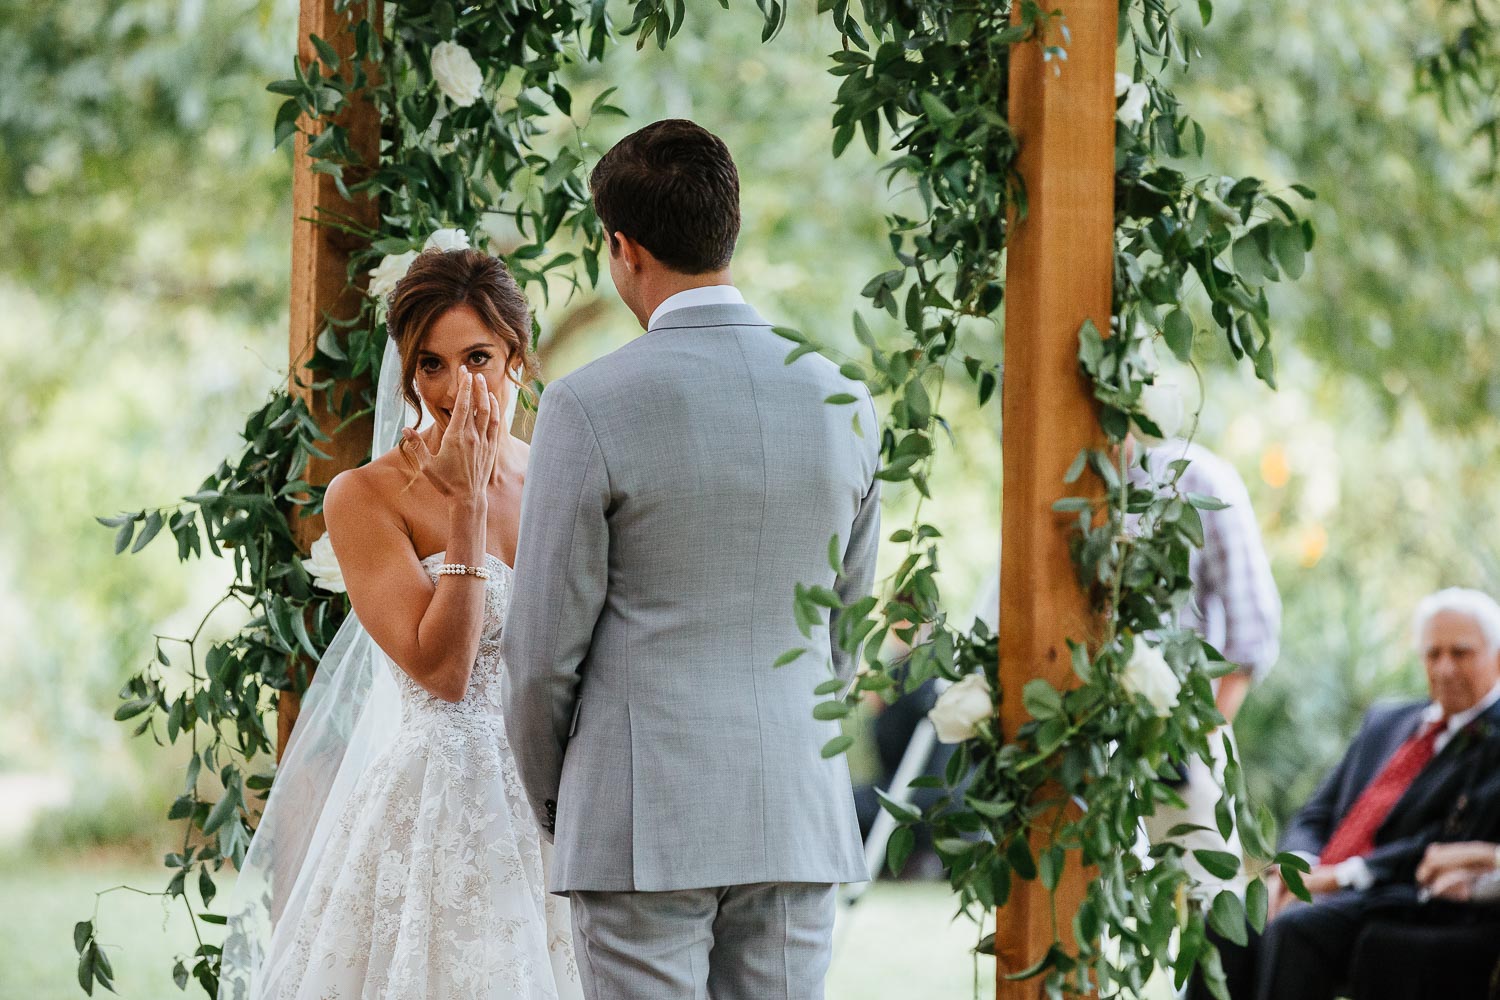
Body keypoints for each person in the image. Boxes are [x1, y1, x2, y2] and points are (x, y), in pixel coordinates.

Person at [501, 119, 881, 1000]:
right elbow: (843, 639)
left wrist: (567, 805)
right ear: (728, 229)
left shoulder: (587, 405)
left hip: (639, 820)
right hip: (795, 807)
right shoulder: (847, 404)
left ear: (623, 248)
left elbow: (539, 658)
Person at [218, 249, 581, 999]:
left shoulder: (567, 471)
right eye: (431, 364)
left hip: (565, 802)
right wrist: (466, 509)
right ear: (408, 373)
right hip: (443, 808)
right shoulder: (364, 497)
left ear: (518, 354)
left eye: (477, 357)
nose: (454, 388)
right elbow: (444, 673)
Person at [1195, 587, 1500, 1000]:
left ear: (1496, 658)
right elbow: (1316, 812)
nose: (1444, 668)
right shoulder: (1386, 720)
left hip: (1390, 891)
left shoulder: (1492, 741)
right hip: (1321, 879)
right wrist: (1295, 868)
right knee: (1229, 917)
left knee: (1295, 930)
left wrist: (1336, 878)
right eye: (1433, 654)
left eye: (1460, 653)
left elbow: (1444, 841)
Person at [1132, 436, 1281, 889]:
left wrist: (1200, 734)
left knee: (1206, 900)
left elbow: (1251, 628)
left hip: (1183, 734)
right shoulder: (1052, 482)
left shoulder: (1194, 476)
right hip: (1080, 745)